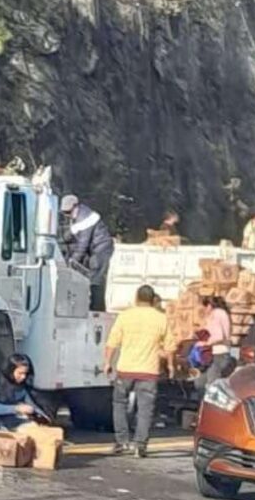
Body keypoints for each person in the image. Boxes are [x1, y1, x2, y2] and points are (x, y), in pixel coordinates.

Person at [103, 284, 172, 458]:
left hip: (125, 368)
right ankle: (140, 445)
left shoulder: (125, 316)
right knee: (145, 409)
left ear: (136, 298)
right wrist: (170, 366)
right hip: (149, 370)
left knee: (119, 403)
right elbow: (170, 346)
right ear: (152, 299)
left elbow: (112, 342)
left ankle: (122, 441)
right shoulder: (161, 318)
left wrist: (107, 362)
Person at [61, 194, 115, 311]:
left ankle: (97, 310)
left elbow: (82, 245)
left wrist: (72, 261)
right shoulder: (78, 217)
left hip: (101, 249)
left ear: (76, 207)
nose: (67, 216)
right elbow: (70, 235)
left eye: (68, 212)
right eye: (64, 213)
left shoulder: (86, 218)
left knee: (96, 280)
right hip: (95, 249)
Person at [0, 353, 48, 431]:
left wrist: (42, 415)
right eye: (20, 373)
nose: (23, 377)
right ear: (11, 370)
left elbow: (30, 402)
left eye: (25, 373)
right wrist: (16, 408)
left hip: (9, 417)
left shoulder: (21, 385)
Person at [194, 296, 235, 391]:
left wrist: (205, 343)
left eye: (204, 307)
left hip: (217, 353)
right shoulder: (223, 314)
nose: (204, 311)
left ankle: (208, 404)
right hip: (221, 352)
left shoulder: (216, 314)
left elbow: (218, 336)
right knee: (201, 382)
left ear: (209, 306)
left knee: (210, 384)